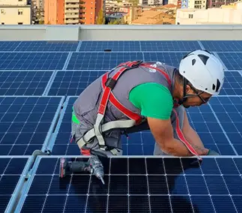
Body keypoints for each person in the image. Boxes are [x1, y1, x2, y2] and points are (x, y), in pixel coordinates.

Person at [59, 49, 225, 182]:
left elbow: (186, 130)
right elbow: (167, 145)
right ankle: (79, 165)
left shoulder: (172, 78)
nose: (205, 103)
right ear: (189, 88)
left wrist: (204, 155)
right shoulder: (158, 95)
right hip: (89, 123)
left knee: (177, 111)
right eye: (204, 98)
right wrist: (194, 153)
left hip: (106, 110)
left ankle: (165, 168)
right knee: (110, 178)